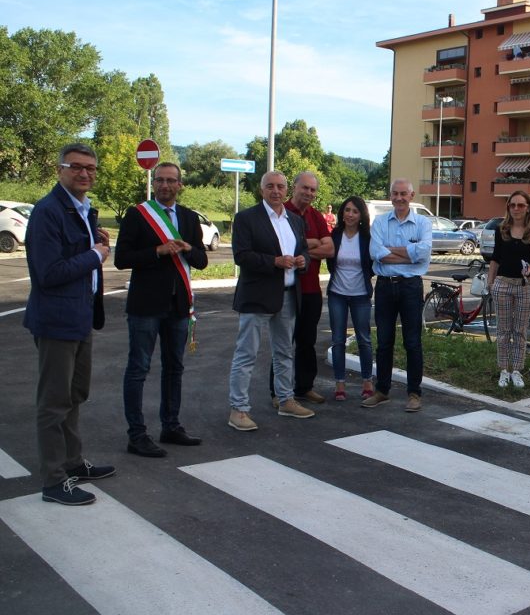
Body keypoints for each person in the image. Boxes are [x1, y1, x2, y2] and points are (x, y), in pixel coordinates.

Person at [24, 143, 115, 505]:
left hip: (79, 319)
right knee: (53, 402)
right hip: (56, 321)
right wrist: (95, 255)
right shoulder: (49, 211)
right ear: (59, 169)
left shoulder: (83, 209)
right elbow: (48, 273)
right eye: (77, 167)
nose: (85, 174)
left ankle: (73, 462)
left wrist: (95, 242)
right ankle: (53, 480)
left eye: (91, 168)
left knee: (75, 396)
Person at [114, 161, 208, 458]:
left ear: (180, 185)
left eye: (172, 181)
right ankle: (137, 434)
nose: (166, 185)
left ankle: (171, 426)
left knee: (174, 368)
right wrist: (157, 251)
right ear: (154, 184)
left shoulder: (189, 217)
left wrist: (188, 250)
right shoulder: (137, 214)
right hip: (146, 305)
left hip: (178, 305)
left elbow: (202, 261)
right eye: (161, 180)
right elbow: (122, 258)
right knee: (139, 369)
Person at [227, 171, 313, 431]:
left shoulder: (295, 221)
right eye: (270, 187)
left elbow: (305, 252)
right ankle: (238, 409)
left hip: (287, 296)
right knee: (247, 354)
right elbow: (241, 255)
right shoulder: (246, 218)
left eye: (280, 187)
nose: (276, 191)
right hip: (256, 297)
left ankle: (286, 400)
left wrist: (302, 262)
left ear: (287, 190)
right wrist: (274, 262)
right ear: (261, 189)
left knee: (284, 352)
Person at [364, 179, 432, 412]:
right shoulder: (381, 221)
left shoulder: (422, 222)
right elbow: (375, 252)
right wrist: (409, 254)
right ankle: (382, 390)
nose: (399, 197)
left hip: (411, 287)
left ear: (411, 196)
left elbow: (424, 253)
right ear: (390, 196)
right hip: (384, 287)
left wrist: (390, 251)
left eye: (404, 193)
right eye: (395, 193)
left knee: (412, 342)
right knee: (384, 342)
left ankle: (414, 393)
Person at [275, 171, 334, 405]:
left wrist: (299, 249)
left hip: (311, 290)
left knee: (307, 341)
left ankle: (304, 387)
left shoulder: (317, 217)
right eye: (305, 188)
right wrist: (310, 244)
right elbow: (278, 249)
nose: (309, 193)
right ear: (294, 187)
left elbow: (329, 249)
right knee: (283, 343)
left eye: (313, 190)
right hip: (287, 289)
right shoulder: (282, 212)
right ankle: (277, 392)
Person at [486, 190, 530, 388]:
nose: (516, 209)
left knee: (520, 331)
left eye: (520, 205)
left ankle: (517, 371)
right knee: (504, 330)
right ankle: (504, 370)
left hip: (525, 285)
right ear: (508, 207)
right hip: (503, 283)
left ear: (528, 207)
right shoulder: (501, 229)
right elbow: (496, 257)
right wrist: (491, 281)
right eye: (512, 205)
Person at [326, 196, 375, 401]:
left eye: (355, 211)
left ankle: (367, 382)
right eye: (347, 210)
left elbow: (371, 265)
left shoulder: (367, 237)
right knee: (338, 341)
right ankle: (340, 385)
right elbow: (330, 262)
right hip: (337, 294)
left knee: (364, 339)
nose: (350, 214)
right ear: (342, 213)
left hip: (360, 295)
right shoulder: (335, 235)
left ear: (361, 215)